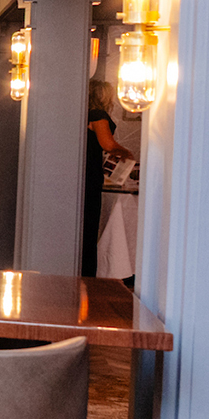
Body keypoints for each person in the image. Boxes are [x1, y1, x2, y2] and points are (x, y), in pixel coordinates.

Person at [83, 78, 134, 277]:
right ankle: (88, 274)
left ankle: (84, 271)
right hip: (91, 175)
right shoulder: (98, 114)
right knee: (90, 225)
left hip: (85, 172)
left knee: (85, 225)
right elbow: (108, 144)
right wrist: (126, 153)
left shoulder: (85, 114)